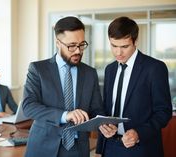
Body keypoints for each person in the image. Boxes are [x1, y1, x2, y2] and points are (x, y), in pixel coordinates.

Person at [22, 16, 105, 157]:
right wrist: (65, 115)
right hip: (43, 147)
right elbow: (29, 106)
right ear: (58, 43)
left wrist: (103, 123)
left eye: (81, 44)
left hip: (78, 148)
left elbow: (96, 109)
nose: (78, 51)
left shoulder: (90, 73)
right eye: (72, 45)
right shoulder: (38, 69)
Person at [95, 16, 172, 157]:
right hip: (110, 146)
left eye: (124, 46)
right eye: (114, 46)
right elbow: (107, 106)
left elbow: (164, 111)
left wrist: (139, 133)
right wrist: (103, 127)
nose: (118, 53)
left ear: (135, 41)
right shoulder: (109, 69)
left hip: (141, 148)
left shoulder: (155, 68)